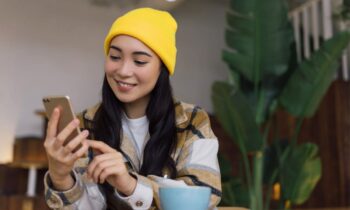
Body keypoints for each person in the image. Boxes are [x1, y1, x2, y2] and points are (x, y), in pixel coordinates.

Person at [43, 7, 221, 210]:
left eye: (139, 61)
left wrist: (130, 185)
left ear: (163, 68)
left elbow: (205, 196)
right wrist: (60, 177)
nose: (123, 71)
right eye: (115, 57)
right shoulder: (84, 125)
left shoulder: (191, 121)